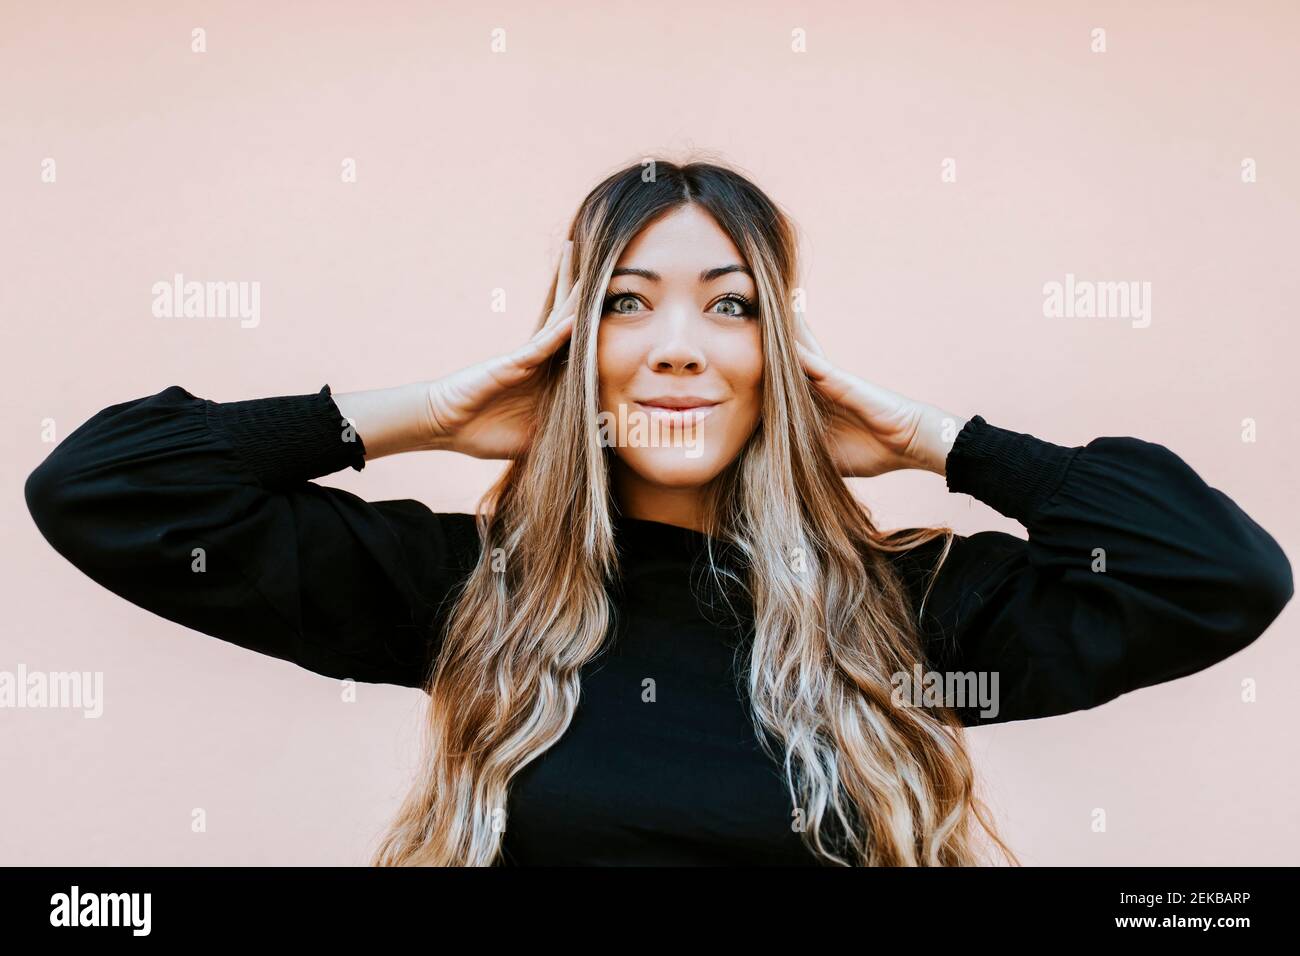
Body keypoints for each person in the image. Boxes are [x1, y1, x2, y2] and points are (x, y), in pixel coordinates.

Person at [24, 160, 1293, 867]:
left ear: (778, 356)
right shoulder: (471, 595)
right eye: (626, 302)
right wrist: (424, 411)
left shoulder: (916, 618)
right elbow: (104, 486)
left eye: (731, 306)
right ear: (567, 346)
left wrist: (935, 442)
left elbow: (1217, 572)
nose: (678, 346)